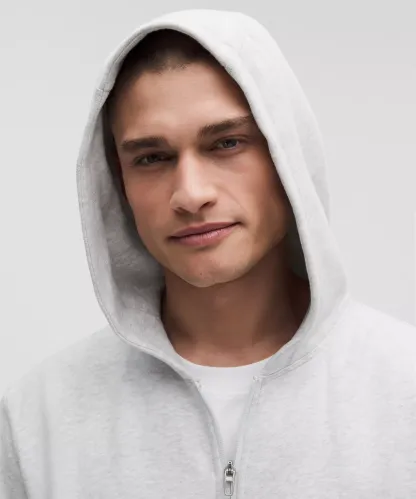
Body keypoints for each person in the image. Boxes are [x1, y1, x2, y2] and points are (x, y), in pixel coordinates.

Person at [1, 9, 416, 498]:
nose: (191, 194)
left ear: (286, 154)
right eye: (152, 158)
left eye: (226, 143)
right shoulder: (38, 420)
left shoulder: (403, 390)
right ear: (118, 181)